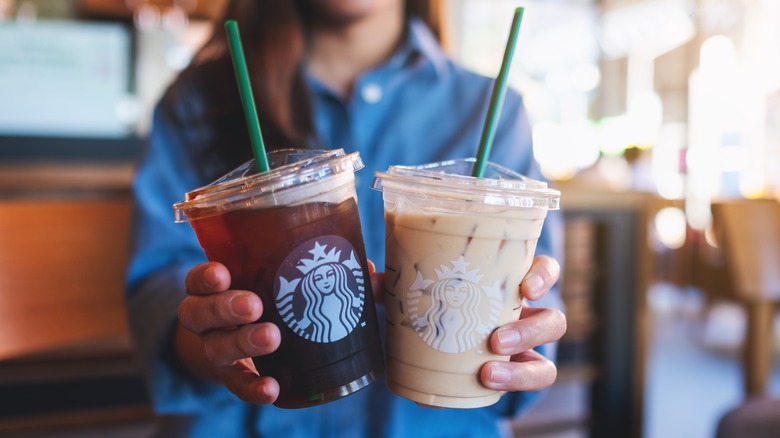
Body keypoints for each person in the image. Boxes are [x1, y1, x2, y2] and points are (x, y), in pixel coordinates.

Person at [125, 0, 567, 436]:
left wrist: (524, 334)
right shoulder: (198, 103)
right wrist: (216, 341)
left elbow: (532, 300)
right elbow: (158, 290)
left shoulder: (494, 109)